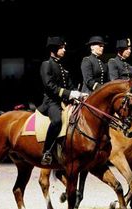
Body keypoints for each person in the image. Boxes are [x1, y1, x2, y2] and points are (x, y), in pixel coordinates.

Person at [37, 36, 85, 165]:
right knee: (57, 120)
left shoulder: (62, 67)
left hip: (64, 102)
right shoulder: (46, 64)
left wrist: (78, 94)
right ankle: (46, 151)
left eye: (64, 47)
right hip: (51, 102)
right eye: (61, 47)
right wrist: (69, 93)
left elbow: (69, 86)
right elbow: (49, 85)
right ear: (54, 49)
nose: (64, 50)